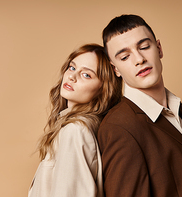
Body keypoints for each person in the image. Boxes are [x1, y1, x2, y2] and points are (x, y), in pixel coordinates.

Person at [97, 14, 182, 197]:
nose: (139, 59)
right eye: (125, 56)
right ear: (115, 69)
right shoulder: (119, 127)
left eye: (144, 47)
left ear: (159, 48)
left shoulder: (176, 107)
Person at [28, 43, 122, 197]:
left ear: (103, 89)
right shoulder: (75, 126)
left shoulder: (76, 130)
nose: (72, 76)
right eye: (72, 67)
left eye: (86, 75)